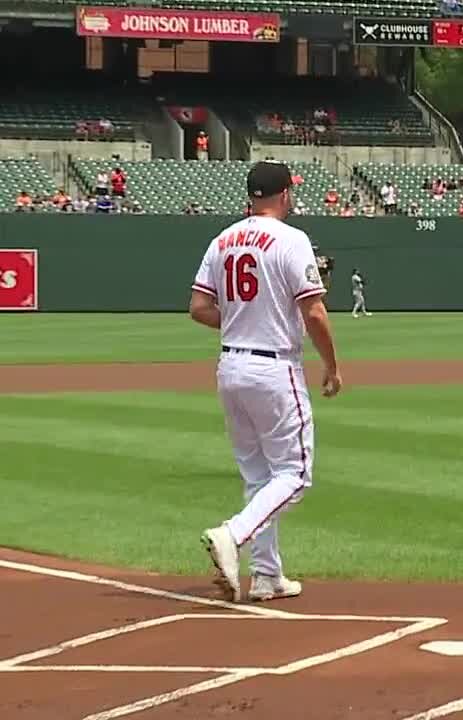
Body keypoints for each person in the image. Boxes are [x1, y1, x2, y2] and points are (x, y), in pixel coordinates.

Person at [189, 160, 343, 603]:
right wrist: (332, 366)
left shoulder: (223, 239)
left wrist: (241, 320)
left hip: (231, 367)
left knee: (259, 476)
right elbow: (313, 311)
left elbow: (199, 307)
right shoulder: (292, 240)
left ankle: (266, 574)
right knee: (294, 473)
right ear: (286, 193)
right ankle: (231, 534)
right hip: (274, 368)